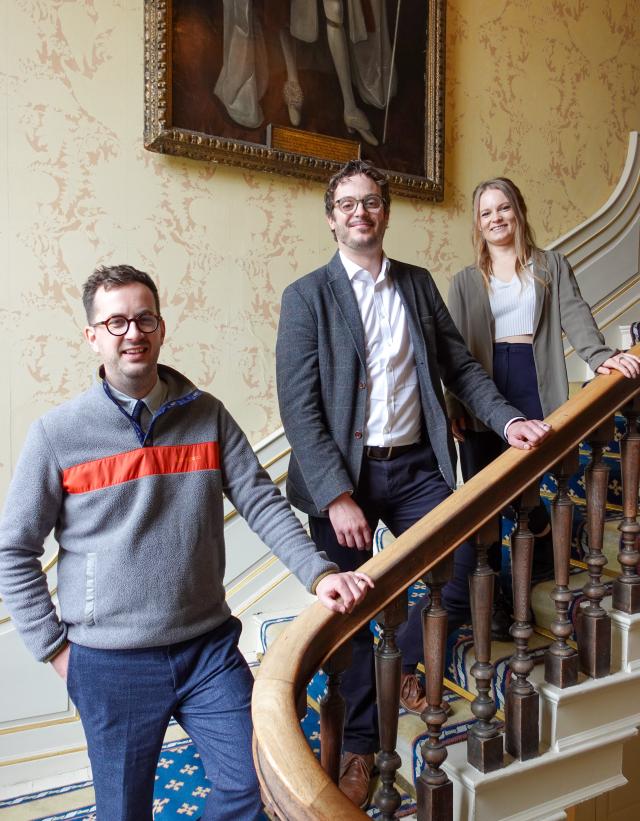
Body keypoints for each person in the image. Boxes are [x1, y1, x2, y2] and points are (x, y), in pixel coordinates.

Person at [0, 264, 374, 821]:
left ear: (161, 327)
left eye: (145, 318)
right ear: (93, 336)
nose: (134, 332)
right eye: (117, 321)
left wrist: (321, 574)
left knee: (256, 786)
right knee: (124, 812)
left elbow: (262, 502)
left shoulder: (207, 415)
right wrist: (56, 650)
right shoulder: (57, 435)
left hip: (208, 652)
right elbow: (14, 551)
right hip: (111, 662)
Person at [275, 160, 551, 808]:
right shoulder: (307, 295)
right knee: (349, 615)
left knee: (461, 562)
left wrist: (508, 419)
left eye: (371, 201)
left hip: (415, 466)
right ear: (331, 217)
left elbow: (460, 365)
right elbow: (299, 404)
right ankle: (359, 749)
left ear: (386, 211)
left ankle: (397, 665)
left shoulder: (419, 285)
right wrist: (338, 494)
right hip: (346, 475)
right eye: (347, 204)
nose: (360, 213)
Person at [446, 177, 640, 636]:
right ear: (478, 223)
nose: (496, 218)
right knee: (485, 502)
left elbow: (575, 313)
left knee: (530, 491)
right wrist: (454, 401)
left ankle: (521, 592)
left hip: (533, 382)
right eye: (486, 212)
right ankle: (492, 604)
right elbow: (453, 349)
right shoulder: (465, 281)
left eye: (503, 208)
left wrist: (599, 356)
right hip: (481, 391)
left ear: (518, 211)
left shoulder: (550, 265)